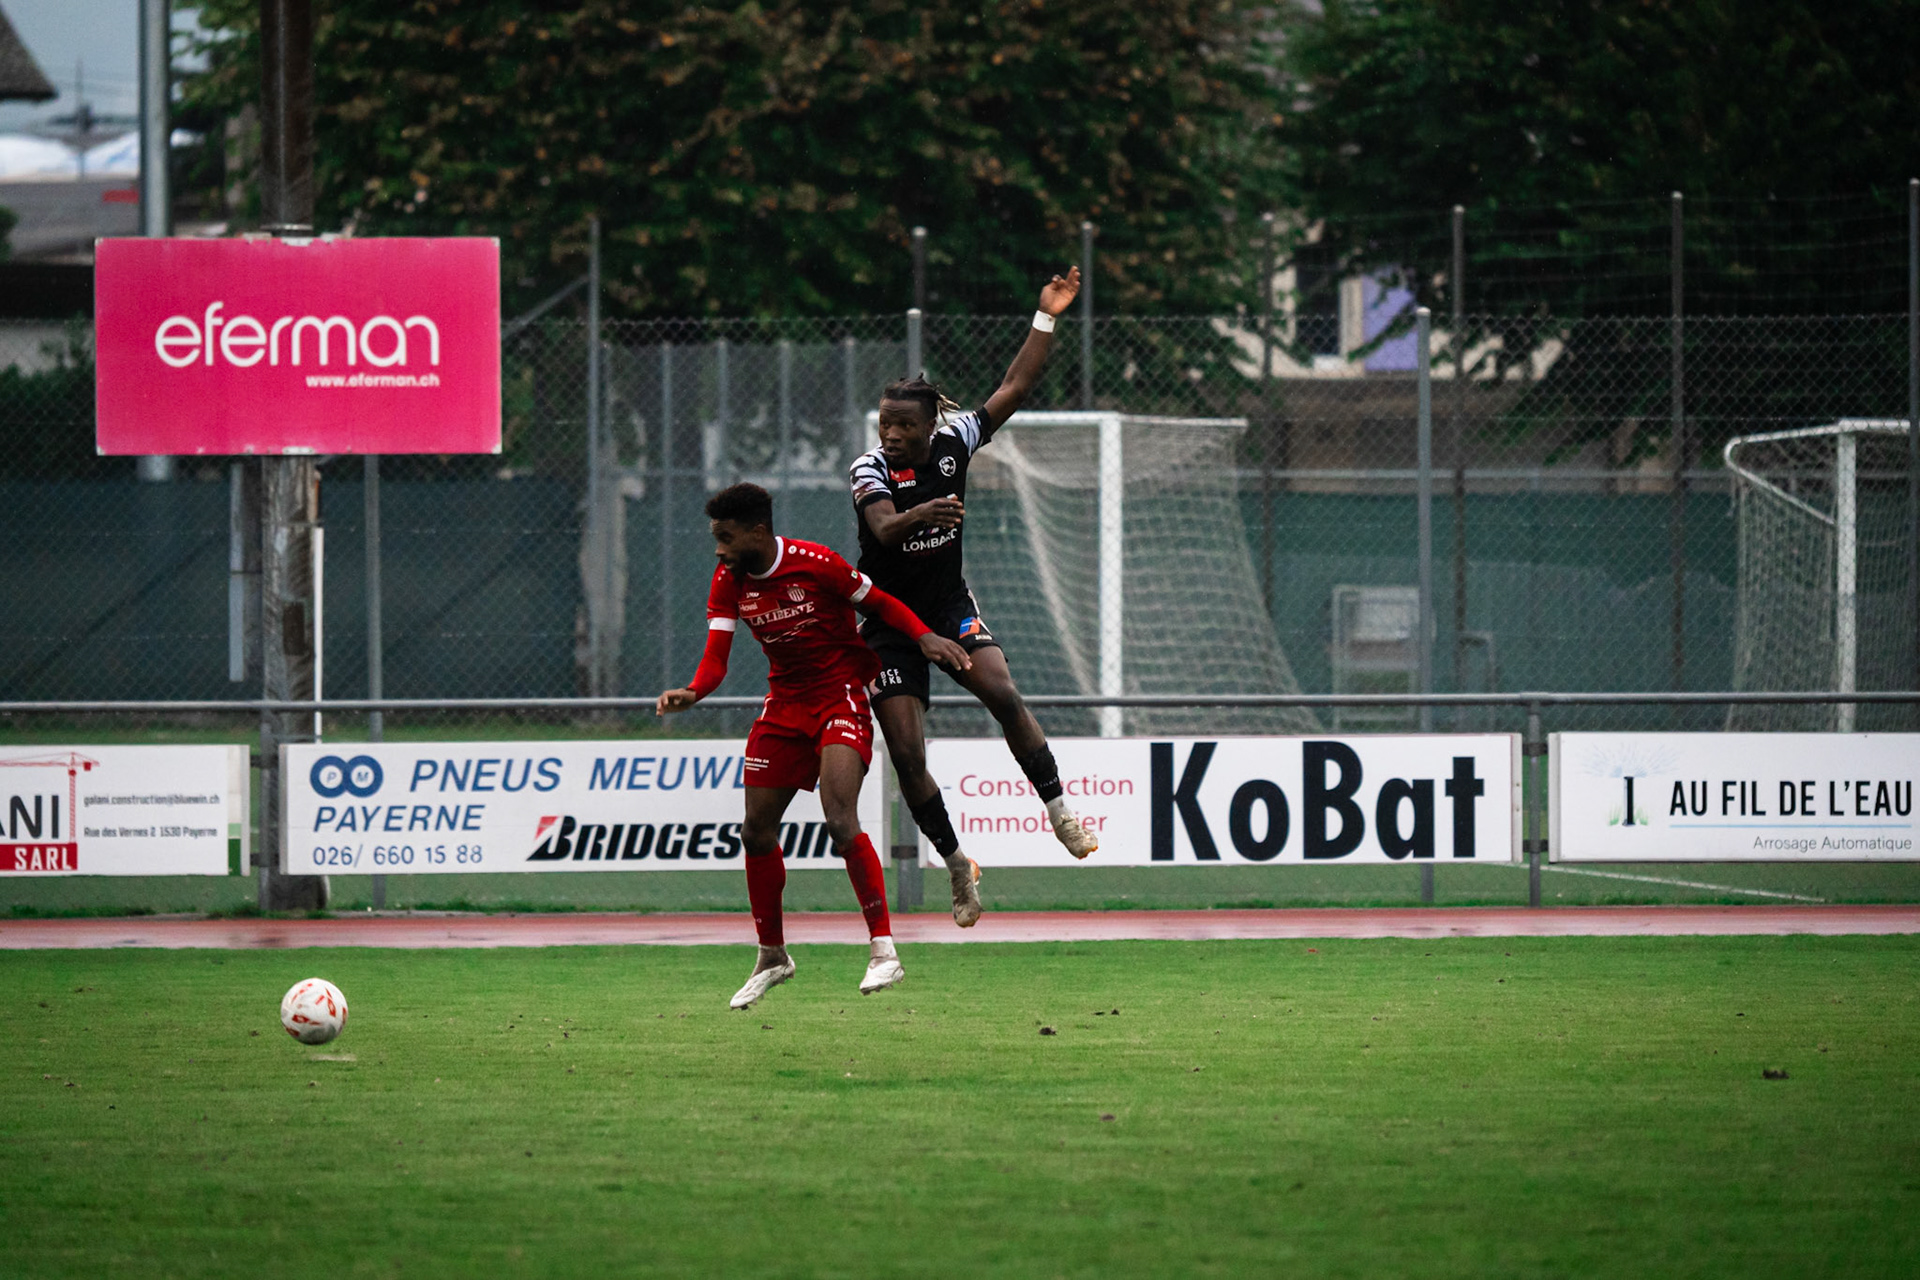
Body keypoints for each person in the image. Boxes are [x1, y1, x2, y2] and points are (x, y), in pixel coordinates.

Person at [848, 267, 1098, 931]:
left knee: (1003, 692)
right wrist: (923, 513)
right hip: (888, 623)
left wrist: (1046, 315)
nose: (890, 434)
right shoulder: (870, 468)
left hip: (948, 606)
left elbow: (1014, 386)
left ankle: (1060, 814)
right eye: (884, 423)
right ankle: (958, 864)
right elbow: (883, 530)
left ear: (931, 423)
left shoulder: (956, 440)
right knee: (907, 754)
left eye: (903, 425)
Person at [656, 483, 971, 1009]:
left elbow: (881, 602)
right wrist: (693, 691)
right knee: (755, 831)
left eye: (726, 537)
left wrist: (924, 637)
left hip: (839, 697)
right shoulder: (729, 580)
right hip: (784, 706)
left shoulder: (816, 563)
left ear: (758, 531)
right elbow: (716, 658)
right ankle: (772, 956)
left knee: (840, 818)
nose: (718, 549)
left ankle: (884, 950)